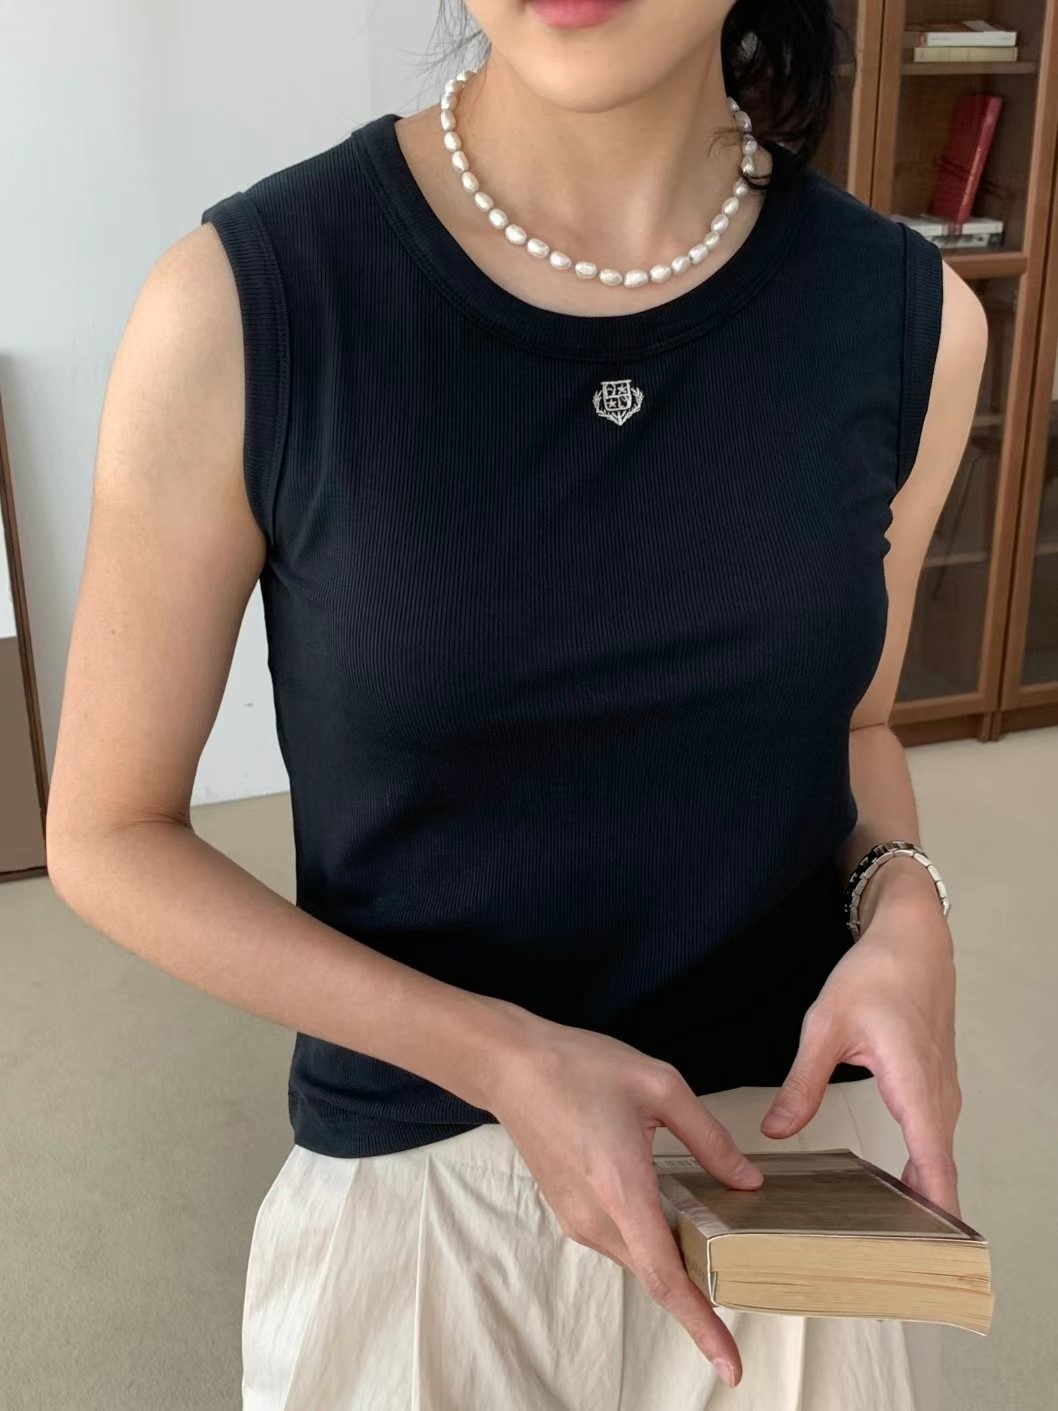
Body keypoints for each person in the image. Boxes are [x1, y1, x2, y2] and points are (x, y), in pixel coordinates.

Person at [46, 0, 987, 1406]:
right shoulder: (244, 305)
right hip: (421, 1183)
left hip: (780, 1176)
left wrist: (906, 902)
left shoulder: (911, 322)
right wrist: (499, 1057)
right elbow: (108, 833)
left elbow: (853, 725)